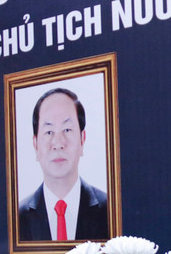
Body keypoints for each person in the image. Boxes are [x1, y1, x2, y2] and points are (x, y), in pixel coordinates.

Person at [18, 88, 109, 241]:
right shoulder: (16, 216)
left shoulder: (111, 210)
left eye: (67, 130)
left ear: (82, 139)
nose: (58, 143)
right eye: (49, 132)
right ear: (35, 145)